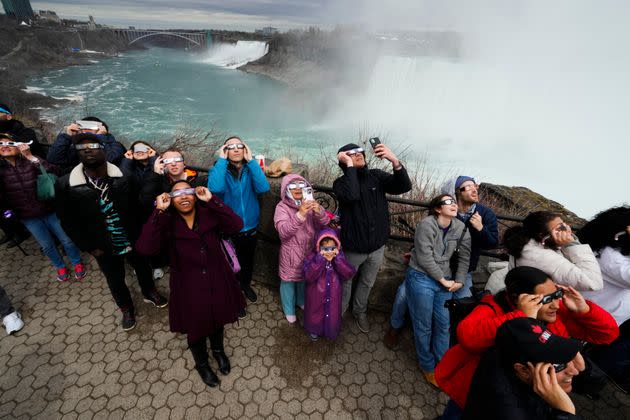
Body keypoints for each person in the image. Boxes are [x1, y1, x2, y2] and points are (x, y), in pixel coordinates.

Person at [435, 266, 619, 418]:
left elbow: (607, 335)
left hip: (524, 398)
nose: (555, 304)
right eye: (546, 299)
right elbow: (469, 338)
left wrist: (585, 310)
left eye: (556, 295)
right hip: (476, 392)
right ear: (519, 299)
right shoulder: (492, 308)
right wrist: (521, 317)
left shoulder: (553, 313)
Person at [136, 182, 246, 388]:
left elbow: (237, 225)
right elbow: (145, 248)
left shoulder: (209, 213)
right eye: (177, 194)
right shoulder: (166, 221)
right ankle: (202, 364)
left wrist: (212, 200)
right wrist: (158, 211)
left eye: (188, 192)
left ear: (196, 195)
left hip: (217, 277)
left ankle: (218, 351)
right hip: (187, 285)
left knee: (217, 318)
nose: (184, 197)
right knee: (196, 328)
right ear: (169, 198)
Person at [55, 133, 167, 331]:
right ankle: (126, 307)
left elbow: (139, 204)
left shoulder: (123, 177)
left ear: (103, 149)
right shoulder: (66, 184)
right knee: (115, 278)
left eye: (92, 145)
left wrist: (155, 175)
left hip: (130, 235)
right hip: (101, 244)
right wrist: (89, 247)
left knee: (142, 268)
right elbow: (68, 221)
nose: (87, 149)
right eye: (81, 148)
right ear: (77, 154)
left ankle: (149, 292)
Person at [384, 175, 498, 348]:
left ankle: (449, 340)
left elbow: (492, 243)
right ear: (457, 192)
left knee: (462, 304)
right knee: (403, 295)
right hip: (433, 268)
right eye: (467, 187)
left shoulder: (485, 214)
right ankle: (395, 327)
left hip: (462, 270)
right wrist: (417, 254)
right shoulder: (446, 210)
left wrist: (481, 229)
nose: (474, 189)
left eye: (474, 186)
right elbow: (428, 237)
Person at [333, 142, 412, 333]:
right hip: (353, 248)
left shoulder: (376, 176)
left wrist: (394, 160)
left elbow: (404, 186)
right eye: (351, 154)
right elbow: (351, 195)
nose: (358, 154)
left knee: (367, 282)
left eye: (360, 151)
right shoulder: (340, 184)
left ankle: (359, 311)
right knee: (346, 282)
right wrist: (350, 167)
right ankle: (338, 315)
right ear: (343, 160)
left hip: (377, 246)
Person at [0, 132, 86, 281]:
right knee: (47, 246)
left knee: (67, 240)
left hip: (50, 210)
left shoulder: (29, 160)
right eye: (0, 144)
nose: (4, 146)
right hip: (27, 217)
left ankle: (77, 262)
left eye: (9, 143)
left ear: (18, 146)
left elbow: (55, 171)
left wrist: (30, 156)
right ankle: (60, 267)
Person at [405, 193, 471, 387]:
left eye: (454, 201)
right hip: (421, 278)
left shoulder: (461, 228)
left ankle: (442, 363)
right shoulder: (427, 225)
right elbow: (424, 258)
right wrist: (444, 280)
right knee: (423, 325)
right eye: (447, 202)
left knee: (443, 324)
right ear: (437, 208)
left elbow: (465, 257)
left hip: (446, 280)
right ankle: (427, 365)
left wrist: (458, 280)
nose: (453, 204)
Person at [463, 317, 586, 420]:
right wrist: (566, 412)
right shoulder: (510, 413)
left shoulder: (503, 352)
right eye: (559, 365)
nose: (574, 371)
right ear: (523, 370)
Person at [207, 136, 270, 316]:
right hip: (228, 227)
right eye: (230, 146)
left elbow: (263, 187)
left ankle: (245, 286)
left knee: (248, 262)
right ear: (225, 150)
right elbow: (216, 189)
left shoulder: (251, 170)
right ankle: (234, 296)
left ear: (245, 149)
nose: (235, 149)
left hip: (250, 226)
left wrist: (251, 161)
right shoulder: (218, 170)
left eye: (239, 146)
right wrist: (221, 160)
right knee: (230, 265)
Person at [577, 206, 630, 393]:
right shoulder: (610, 255)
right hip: (594, 315)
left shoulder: (616, 252)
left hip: (605, 313)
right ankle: (584, 383)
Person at [486, 211, 603, 293]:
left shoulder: (525, 242)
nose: (567, 231)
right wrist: (572, 244)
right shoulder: (545, 258)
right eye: (560, 228)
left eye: (565, 225)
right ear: (543, 236)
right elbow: (593, 283)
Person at [274, 174, 330, 324]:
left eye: (301, 185)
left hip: (308, 251)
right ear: (286, 190)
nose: (298, 189)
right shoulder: (282, 207)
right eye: (293, 186)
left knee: (304, 279)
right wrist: (300, 214)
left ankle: (300, 301)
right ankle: (288, 309)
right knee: (288, 282)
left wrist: (319, 211)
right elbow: (283, 232)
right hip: (290, 253)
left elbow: (325, 223)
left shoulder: (309, 202)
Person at [303, 228, 356, 341]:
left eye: (332, 248)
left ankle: (330, 330)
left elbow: (348, 273)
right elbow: (308, 276)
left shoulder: (339, 257)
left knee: (332, 313)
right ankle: (314, 330)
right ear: (318, 248)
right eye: (325, 248)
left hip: (333, 295)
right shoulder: (313, 257)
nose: (329, 252)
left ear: (337, 247)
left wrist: (338, 260)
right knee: (315, 313)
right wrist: (320, 260)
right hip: (315, 295)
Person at [47, 116, 125, 173]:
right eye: (83, 127)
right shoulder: (77, 148)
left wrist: (101, 137)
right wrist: (67, 136)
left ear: (102, 130)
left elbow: (111, 160)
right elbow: (53, 159)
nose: (86, 131)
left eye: (91, 128)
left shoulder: (114, 145)